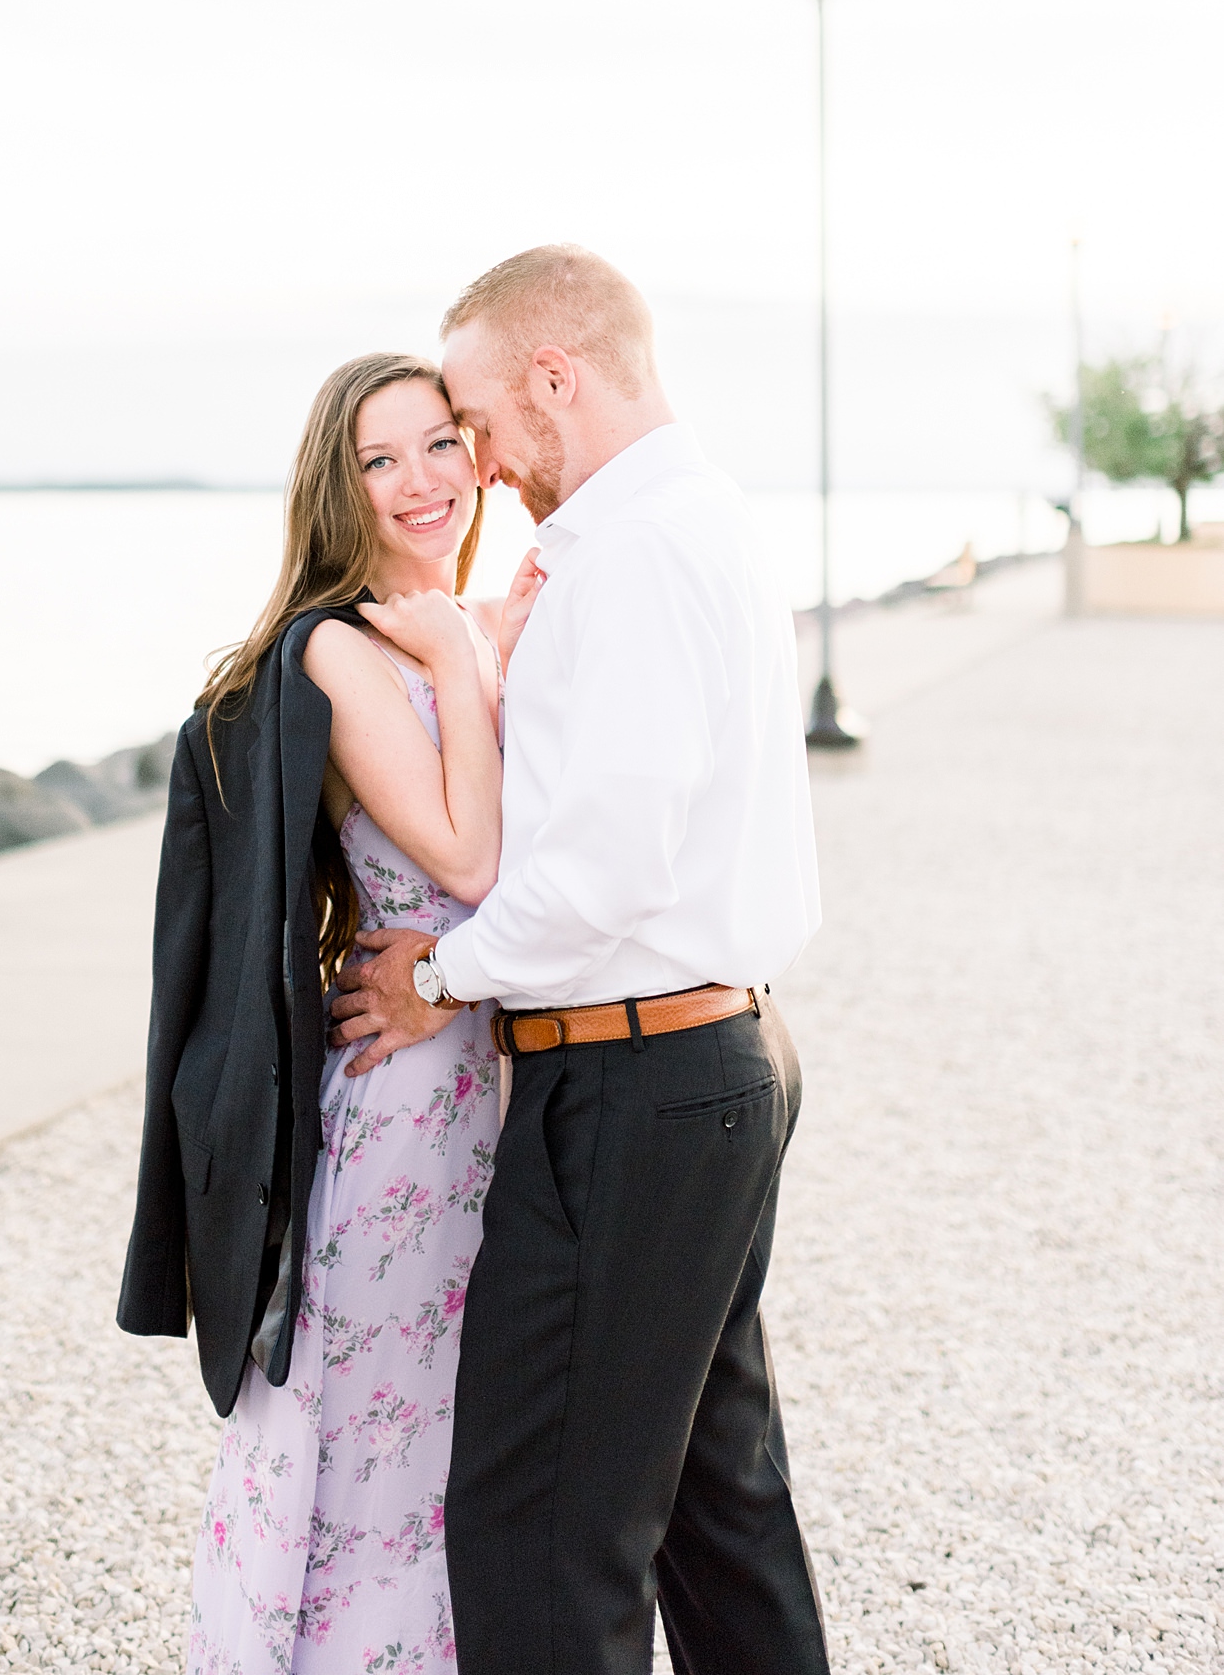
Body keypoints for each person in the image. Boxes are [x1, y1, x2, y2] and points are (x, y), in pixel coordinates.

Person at [331, 246, 830, 1675]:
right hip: (708, 1060)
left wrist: (434, 977)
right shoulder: (690, 521)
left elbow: (603, 867)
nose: (471, 466)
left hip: (633, 1082)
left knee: (539, 1528)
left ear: (554, 380)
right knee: (711, 1507)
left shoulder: (629, 554)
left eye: (474, 423)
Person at [119, 351, 539, 1675]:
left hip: (496, 1079)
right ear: (336, 489)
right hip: (408, 1106)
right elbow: (469, 865)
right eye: (378, 459)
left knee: (463, 1447)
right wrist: (469, 664)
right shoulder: (352, 649)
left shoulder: (452, 625)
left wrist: (482, 644)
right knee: (374, 1452)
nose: (420, 482)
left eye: (437, 446)